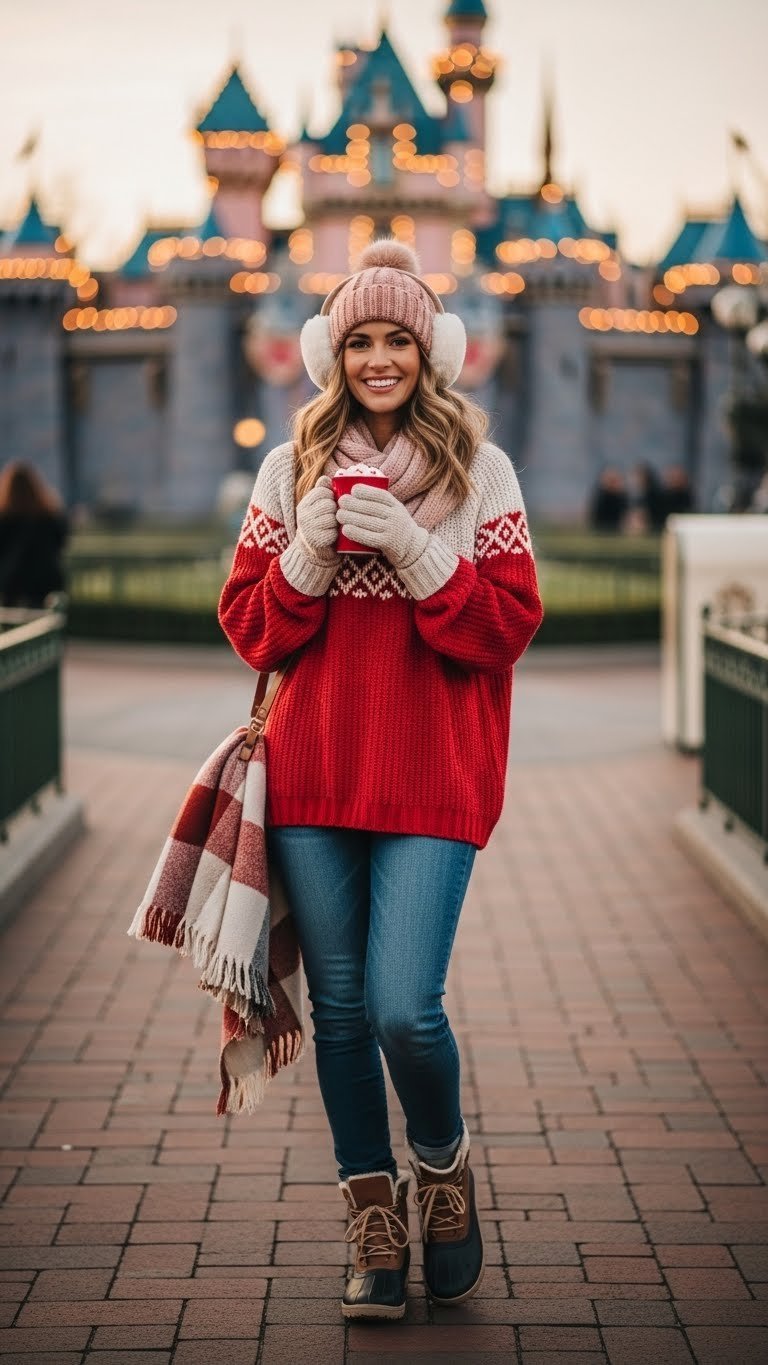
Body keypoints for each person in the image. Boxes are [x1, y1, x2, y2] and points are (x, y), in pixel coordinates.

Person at [218, 240, 543, 1321]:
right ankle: (372, 1213)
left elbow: (505, 627)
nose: (378, 359)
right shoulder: (288, 467)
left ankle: (441, 1166)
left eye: (397, 338)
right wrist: (307, 556)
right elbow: (250, 625)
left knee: (407, 1008)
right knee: (344, 1012)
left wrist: (414, 545)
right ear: (332, 353)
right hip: (311, 775)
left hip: (433, 776)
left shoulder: (479, 473)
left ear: (429, 351)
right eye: (358, 340)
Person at [0, 461, 68, 608]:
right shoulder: (47, 516)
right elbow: (61, 542)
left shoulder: (5, 518)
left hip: (12, 582)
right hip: (45, 581)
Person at [589, 467, 628, 532]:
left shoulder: (622, 496)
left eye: (614, 480)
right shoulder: (601, 496)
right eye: (611, 480)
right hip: (602, 530)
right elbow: (596, 519)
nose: (613, 483)